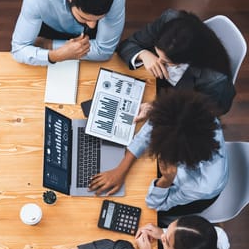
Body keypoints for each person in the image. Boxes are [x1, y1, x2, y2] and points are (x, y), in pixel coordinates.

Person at [88, 91, 228, 221]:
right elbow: (153, 126)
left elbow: (156, 204)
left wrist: (166, 180)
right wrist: (121, 169)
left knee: (154, 216)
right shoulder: (196, 115)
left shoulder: (202, 185)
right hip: (185, 167)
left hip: (195, 197)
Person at [117, 9, 236, 116]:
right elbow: (128, 44)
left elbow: (200, 116)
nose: (158, 61)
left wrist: (158, 108)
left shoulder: (215, 81)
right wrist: (143, 54)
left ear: (189, 60)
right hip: (152, 84)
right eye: (158, 54)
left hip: (179, 105)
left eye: (166, 61)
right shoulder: (170, 21)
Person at [11, 0, 126, 66]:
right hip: (50, 29)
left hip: (47, 42)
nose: (92, 26)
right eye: (84, 17)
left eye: (99, 18)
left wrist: (48, 45)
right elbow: (19, 49)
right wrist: (55, 56)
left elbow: (104, 51)